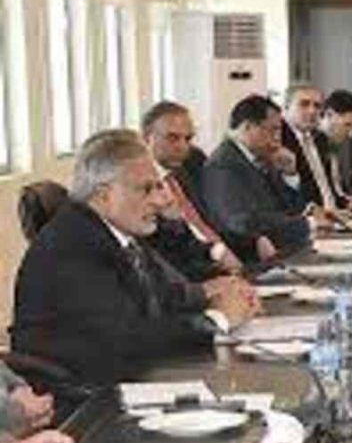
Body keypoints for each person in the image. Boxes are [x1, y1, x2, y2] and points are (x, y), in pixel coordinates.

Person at [11, 130, 259, 385]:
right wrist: (217, 319)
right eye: (146, 189)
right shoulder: (74, 245)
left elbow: (159, 296)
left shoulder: (116, 231)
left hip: (120, 378)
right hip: (81, 396)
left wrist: (213, 293)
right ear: (105, 195)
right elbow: (128, 342)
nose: (160, 201)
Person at [202, 95, 324, 256]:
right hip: (255, 258)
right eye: (273, 130)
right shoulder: (223, 165)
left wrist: (290, 174)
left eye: (279, 130)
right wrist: (308, 223)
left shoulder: (262, 157)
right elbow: (242, 223)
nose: (277, 138)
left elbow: (291, 209)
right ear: (247, 127)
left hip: (287, 247)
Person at [141, 102, 246, 279]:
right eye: (172, 138)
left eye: (188, 139)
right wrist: (217, 265)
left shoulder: (189, 167)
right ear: (146, 138)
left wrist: (253, 241)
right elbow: (167, 256)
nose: (182, 147)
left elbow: (209, 224)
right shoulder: (140, 186)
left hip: (224, 261)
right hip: (193, 274)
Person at [280, 84, 350, 212]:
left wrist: (344, 204)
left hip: (335, 215)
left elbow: (325, 185)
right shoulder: (279, 139)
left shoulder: (320, 139)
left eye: (317, 106)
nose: (312, 111)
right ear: (286, 107)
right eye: (304, 104)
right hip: (305, 217)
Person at [318, 89, 352, 199]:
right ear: (329, 115)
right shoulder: (311, 144)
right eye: (348, 125)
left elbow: (344, 186)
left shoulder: (343, 143)